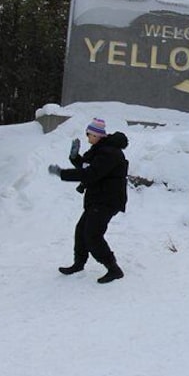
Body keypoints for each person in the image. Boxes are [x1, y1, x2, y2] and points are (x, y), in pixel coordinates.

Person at [48, 117, 129, 284]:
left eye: (89, 134)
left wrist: (62, 173)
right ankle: (79, 264)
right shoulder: (100, 150)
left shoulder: (110, 153)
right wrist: (75, 158)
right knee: (81, 231)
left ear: (98, 135)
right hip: (98, 198)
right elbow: (88, 168)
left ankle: (114, 269)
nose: (87, 137)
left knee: (92, 235)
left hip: (107, 200)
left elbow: (91, 174)